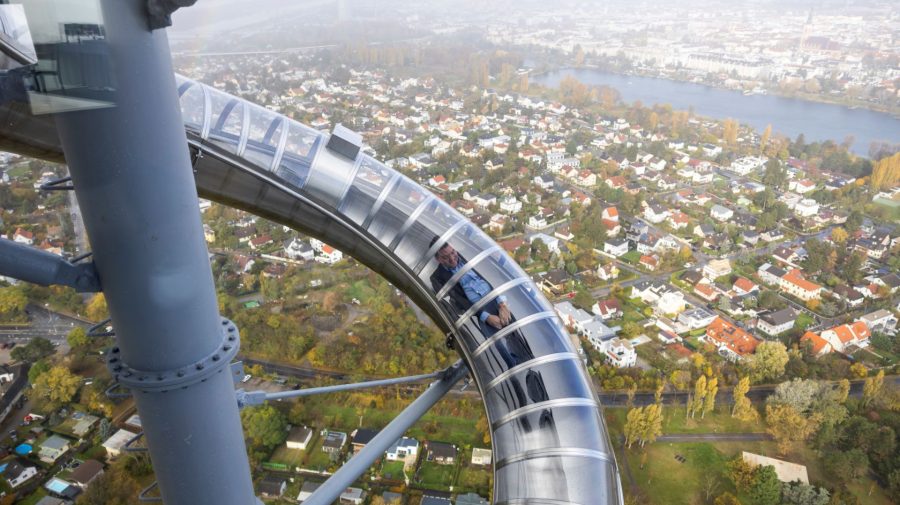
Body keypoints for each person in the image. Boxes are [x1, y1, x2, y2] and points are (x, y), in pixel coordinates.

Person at [429, 239, 511, 330]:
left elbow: (492, 276)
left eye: (452, 252)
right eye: (445, 257)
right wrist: (485, 316)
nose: (452, 259)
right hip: (478, 314)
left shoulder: (469, 254)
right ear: (438, 259)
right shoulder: (437, 277)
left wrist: (502, 304)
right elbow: (458, 301)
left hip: (498, 299)